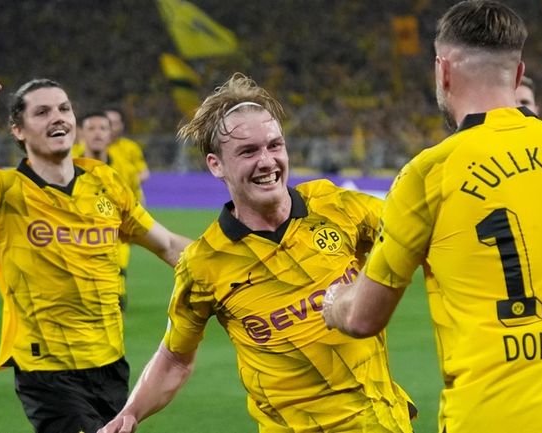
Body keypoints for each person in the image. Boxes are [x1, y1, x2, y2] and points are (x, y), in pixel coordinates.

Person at [322, 2, 542, 433]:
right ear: (518, 74)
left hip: (492, 416)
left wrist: (333, 302)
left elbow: (362, 318)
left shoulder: (431, 172)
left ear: (442, 71)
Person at [98, 73, 416, 433]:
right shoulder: (203, 263)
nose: (267, 162)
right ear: (216, 164)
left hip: (382, 424)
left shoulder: (336, 205)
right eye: (248, 151)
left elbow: (416, 236)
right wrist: (130, 414)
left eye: (274, 146)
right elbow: (174, 358)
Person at [0, 72, 191, 433]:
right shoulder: (4, 192)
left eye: (64, 108)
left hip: (110, 363)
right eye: (42, 112)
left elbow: (168, 245)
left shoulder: (105, 182)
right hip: (47, 371)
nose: (58, 116)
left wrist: (233, 266)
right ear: (18, 130)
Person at [79, 110, 145, 308]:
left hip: (115, 237)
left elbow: (136, 202)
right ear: (81, 134)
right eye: (91, 128)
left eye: (103, 128)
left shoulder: (126, 169)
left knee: (115, 290)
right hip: (75, 239)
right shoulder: (66, 164)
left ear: (111, 134)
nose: (97, 133)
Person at [105, 108, 151, 203]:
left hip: (131, 200)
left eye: (114, 123)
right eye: (107, 123)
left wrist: (126, 184)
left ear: (121, 125)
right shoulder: (90, 149)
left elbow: (144, 173)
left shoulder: (131, 147)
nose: (110, 127)